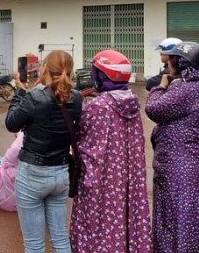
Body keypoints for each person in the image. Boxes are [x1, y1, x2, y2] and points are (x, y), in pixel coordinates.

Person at [70, 50, 152, 252]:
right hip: (126, 177)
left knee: (100, 218)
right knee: (123, 214)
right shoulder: (133, 101)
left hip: (102, 177)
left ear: (103, 75)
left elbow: (80, 136)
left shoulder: (98, 105)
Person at [5, 50, 82, 253]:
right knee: (60, 238)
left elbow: (11, 124)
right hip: (61, 172)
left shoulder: (34, 97)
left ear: (45, 68)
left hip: (33, 173)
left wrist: (20, 91)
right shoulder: (76, 98)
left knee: (34, 244)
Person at [145, 41, 199, 253]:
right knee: (189, 216)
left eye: (171, 62)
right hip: (189, 165)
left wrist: (161, 85)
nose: (168, 67)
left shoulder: (187, 90)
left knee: (179, 219)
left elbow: (153, 109)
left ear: (181, 65)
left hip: (180, 169)